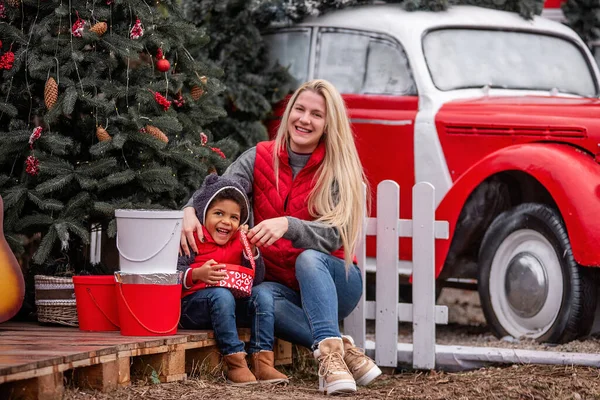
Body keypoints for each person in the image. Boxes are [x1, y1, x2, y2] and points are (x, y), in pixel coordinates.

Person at [181, 79, 381, 395]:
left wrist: (289, 225)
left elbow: (335, 235)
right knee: (260, 296)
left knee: (309, 258)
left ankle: (331, 359)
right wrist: (191, 209)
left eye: (316, 114)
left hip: (334, 282)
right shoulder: (259, 157)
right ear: (288, 114)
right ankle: (339, 352)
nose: (304, 119)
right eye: (299, 110)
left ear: (329, 124)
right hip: (279, 288)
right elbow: (220, 192)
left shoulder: (338, 169)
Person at [177, 173, 288, 386]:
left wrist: (252, 251)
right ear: (203, 214)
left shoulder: (240, 241)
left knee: (262, 293)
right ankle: (236, 362)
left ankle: (262, 361)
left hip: (229, 308)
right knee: (221, 294)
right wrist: (197, 274)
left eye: (234, 217)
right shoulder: (193, 239)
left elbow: (255, 280)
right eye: (219, 213)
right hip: (192, 308)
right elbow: (173, 273)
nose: (226, 222)